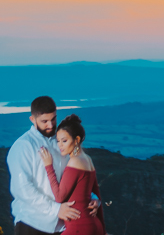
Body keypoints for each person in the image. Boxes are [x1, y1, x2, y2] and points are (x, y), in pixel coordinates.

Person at [7, 96, 101, 235]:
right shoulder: (23, 147)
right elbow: (23, 189)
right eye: (44, 121)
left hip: (63, 226)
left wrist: (92, 197)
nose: (50, 125)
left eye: (53, 119)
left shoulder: (62, 142)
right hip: (32, 224)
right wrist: (55, 209)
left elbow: (72, 177)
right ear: (32, 119)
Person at [39, 114, 106, 235]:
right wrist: (103, 230)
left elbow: (59, 197)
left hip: (79, 227)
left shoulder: (75, 161)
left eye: (64, 141)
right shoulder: (88, 159)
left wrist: (49, 166)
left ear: (77, 140)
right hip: (94, 225)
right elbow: (97, 193)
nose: (60, 145)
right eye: (58, 141)